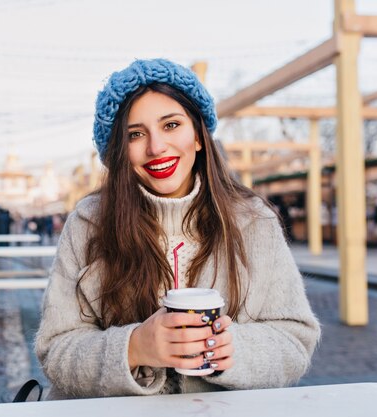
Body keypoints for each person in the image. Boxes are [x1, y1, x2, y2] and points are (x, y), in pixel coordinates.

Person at [35, 59, 320, 399]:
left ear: (199, 136)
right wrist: (134, 348)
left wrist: (234, 350)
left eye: (171, 125)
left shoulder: (253, 220)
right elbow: (55, 350)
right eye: (135, 134)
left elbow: (294, 339)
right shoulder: (88, 221)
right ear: (118, 152)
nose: (156, 147)